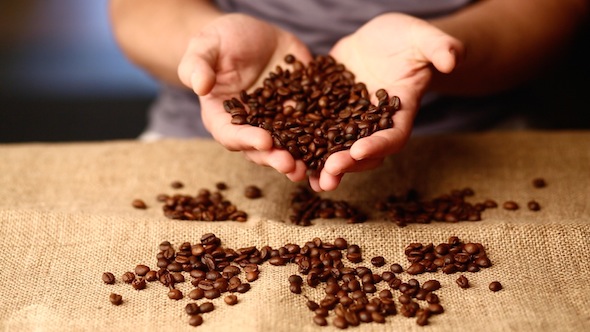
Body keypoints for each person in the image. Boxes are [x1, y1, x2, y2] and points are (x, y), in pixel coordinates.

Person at [109, 0, 588, 192]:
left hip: (481, 144)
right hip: (195, 140)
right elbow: (139, 11)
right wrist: (204, 46)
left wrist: (439, 50)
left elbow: (549, 12)